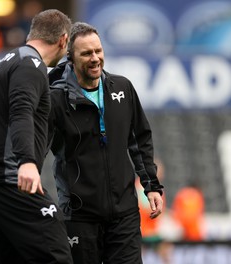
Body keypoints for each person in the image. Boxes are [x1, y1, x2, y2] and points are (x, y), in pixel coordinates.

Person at [0, 9, 73, 263]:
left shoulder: (5, 63)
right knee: (56, 252)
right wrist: (27, 162)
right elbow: (20, 111)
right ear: (63, 40)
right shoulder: (30, 65)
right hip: (9, 179)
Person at [48, 22, 164, 264]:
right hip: (80, 216)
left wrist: (151, 185)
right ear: (71, 57)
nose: (95, 58)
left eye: (98, 51)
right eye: (86, 53)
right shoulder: (55, 99)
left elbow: (140, 138)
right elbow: (36, 147)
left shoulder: (122, 88)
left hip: (124, 214)